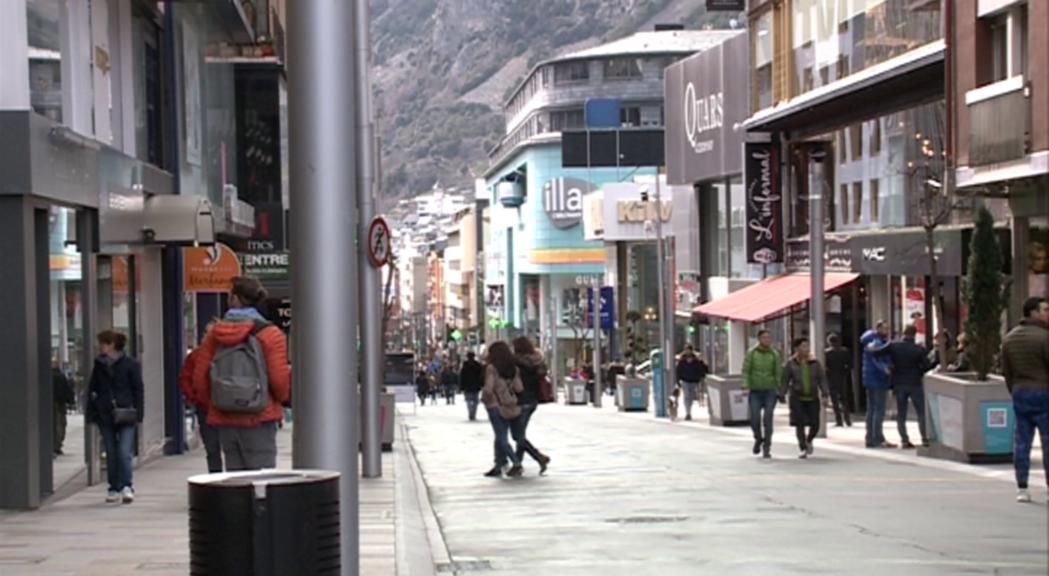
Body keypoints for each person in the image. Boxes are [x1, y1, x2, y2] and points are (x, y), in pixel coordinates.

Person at [192, 276, 291, 471]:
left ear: (235, 299)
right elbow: (280, 382)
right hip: (260, 416)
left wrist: (217, 402)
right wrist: (279, 400)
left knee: (235, 479)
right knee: (261, 479)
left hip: (226, 417)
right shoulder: (270, 334)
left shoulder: (214, 334)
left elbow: (199, 379)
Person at [1001, 297, 1049, 503]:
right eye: (1046, 309)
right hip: (1043, 392)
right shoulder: (1045, 337)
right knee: (1047, 441)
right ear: (1033, 313)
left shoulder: (1010, 338)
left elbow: (1006, 371)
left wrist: (1014, 390)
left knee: (1022, 440)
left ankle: (1022, 486)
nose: (1048, 313)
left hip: (1020, 392)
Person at [86, 330, 143, 504]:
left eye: (103, 343)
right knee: (111, 452)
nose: (100, 346)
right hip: (105, 414)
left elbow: (138, 389)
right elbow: (92, 389)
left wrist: (139, 413)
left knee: (123, 451)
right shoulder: (99, 365)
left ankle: (127, 486)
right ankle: (113, 487)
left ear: (112, 345)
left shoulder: (130, 364)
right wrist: (92, 413)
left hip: (126, 413)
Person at [179, 331, 223, 473]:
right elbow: (185, 379)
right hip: (224, 407)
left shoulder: (197, 355)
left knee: (212, 448)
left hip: (207, 407)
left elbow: (185, 378)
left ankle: (217, 480)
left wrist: (194, 398)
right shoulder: (198, 355)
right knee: (223, 449)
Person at [481, 342, 524, 478]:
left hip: (495, 405)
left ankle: (516, 463)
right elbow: (519, 388)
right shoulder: (514, 369)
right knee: (500, 437)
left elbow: (489, 388)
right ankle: (498, 466)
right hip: (510, 405)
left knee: (501, 439)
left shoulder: (492, 368)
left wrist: (485, 398)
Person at [781, 338, 829, 459]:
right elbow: (785, 380)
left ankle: (809, 440)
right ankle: (802, 447)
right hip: (797, 398)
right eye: (803, 347)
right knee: (800, 424)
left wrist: (825, 394)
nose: (806, 349)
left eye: (807, 346)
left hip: (812, 397)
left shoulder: (815, 363)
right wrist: (782, 394)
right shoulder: (791, 363)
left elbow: (822, 379)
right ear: (797, 349)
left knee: (815, 424)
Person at [511, 337, 551, 474]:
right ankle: (517, 464)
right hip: (533, 400)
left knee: (517, 435)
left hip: (522, 399)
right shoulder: (538, 360)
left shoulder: (517, 362)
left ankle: (539, 457)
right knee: (520, 434)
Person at [888, 324, 931, 449]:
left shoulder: (895, 347)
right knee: (921, 412)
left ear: (903, 332)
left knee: (901, 413)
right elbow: (926, 366)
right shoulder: (918, 349)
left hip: (899, 383)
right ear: (915, 334)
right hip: (915, 383)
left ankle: (904, 439)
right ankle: (924, 438)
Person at [742, 330, 782, 458]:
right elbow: (746, 370)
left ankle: (767, 447)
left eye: (768, 337)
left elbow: (778, 372)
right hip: (755, 390)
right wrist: (745, 385)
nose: (767, 340)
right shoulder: (752, 353)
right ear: (759, 339)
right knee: (754, 418)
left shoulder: (774, 354)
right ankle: (758, 438)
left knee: (768, 418)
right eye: (764, 337)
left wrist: (779, 388)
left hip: (770, 390)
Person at [861, 321, 896, 449]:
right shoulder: (877, 342)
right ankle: (877, 438)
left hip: (870, 379)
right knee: (878, 409)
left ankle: (871, 437)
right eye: (885, 328)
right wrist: (885, 369)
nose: (887, 331)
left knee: (872, 409)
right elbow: (876, 358)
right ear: (879, 329)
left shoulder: (870, 340)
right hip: (878, 379)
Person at [824, 334, 853, 427]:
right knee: (844, 399)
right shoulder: (845, 351)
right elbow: (850, 365)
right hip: (842, 377)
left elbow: (825, 367)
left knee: (834, 400)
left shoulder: (827, 353)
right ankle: (847, 419)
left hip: (831, 378)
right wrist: (845, 372)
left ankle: (839, 420)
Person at [675, 345, 709, 421]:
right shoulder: (682, 360)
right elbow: (678, 371)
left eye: (689, 350)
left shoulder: (696, 360)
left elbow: (704, 369)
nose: (688, 352)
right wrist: (678, 381)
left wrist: (703, 363)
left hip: (694, 381)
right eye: (686, 350)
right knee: (686, 396)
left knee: (691, 397)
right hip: (685, 380)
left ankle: (689, 411)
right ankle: (688, 413)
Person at [52, 359, 75, 456]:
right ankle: (57, 445)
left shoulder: (46, 376)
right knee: (60, 424)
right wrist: (71, 402)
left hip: (53, 404)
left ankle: (55, 445)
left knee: (56, 424)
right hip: (60, 404)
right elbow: (67, 390)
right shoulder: (61, 376)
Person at [459, 352, 484, 421]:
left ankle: (471, 413)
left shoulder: (465, 366)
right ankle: (473, 413)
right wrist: (481, 384)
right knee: (475, 401)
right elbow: (481, 376)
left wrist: (461, 387)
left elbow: (462, 377)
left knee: (469, 400)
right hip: (476, 386)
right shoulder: (478, 365)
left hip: (467, 386)